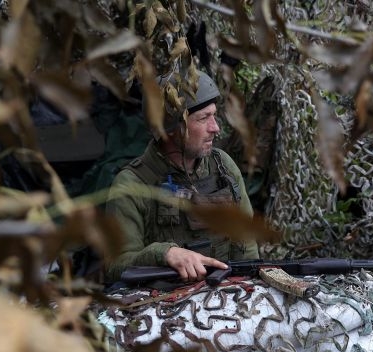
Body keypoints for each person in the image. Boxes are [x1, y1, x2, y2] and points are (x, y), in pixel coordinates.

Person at [104, 69, 259, 283]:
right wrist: (165, 254)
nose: (215, 128)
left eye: (214, 115)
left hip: (227, 295)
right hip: (164, 307)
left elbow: (246, 241)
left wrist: (249, 285)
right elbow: (115, 266)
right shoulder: (132, 184)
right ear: (170, 128)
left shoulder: (223, 166)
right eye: (203, 118)